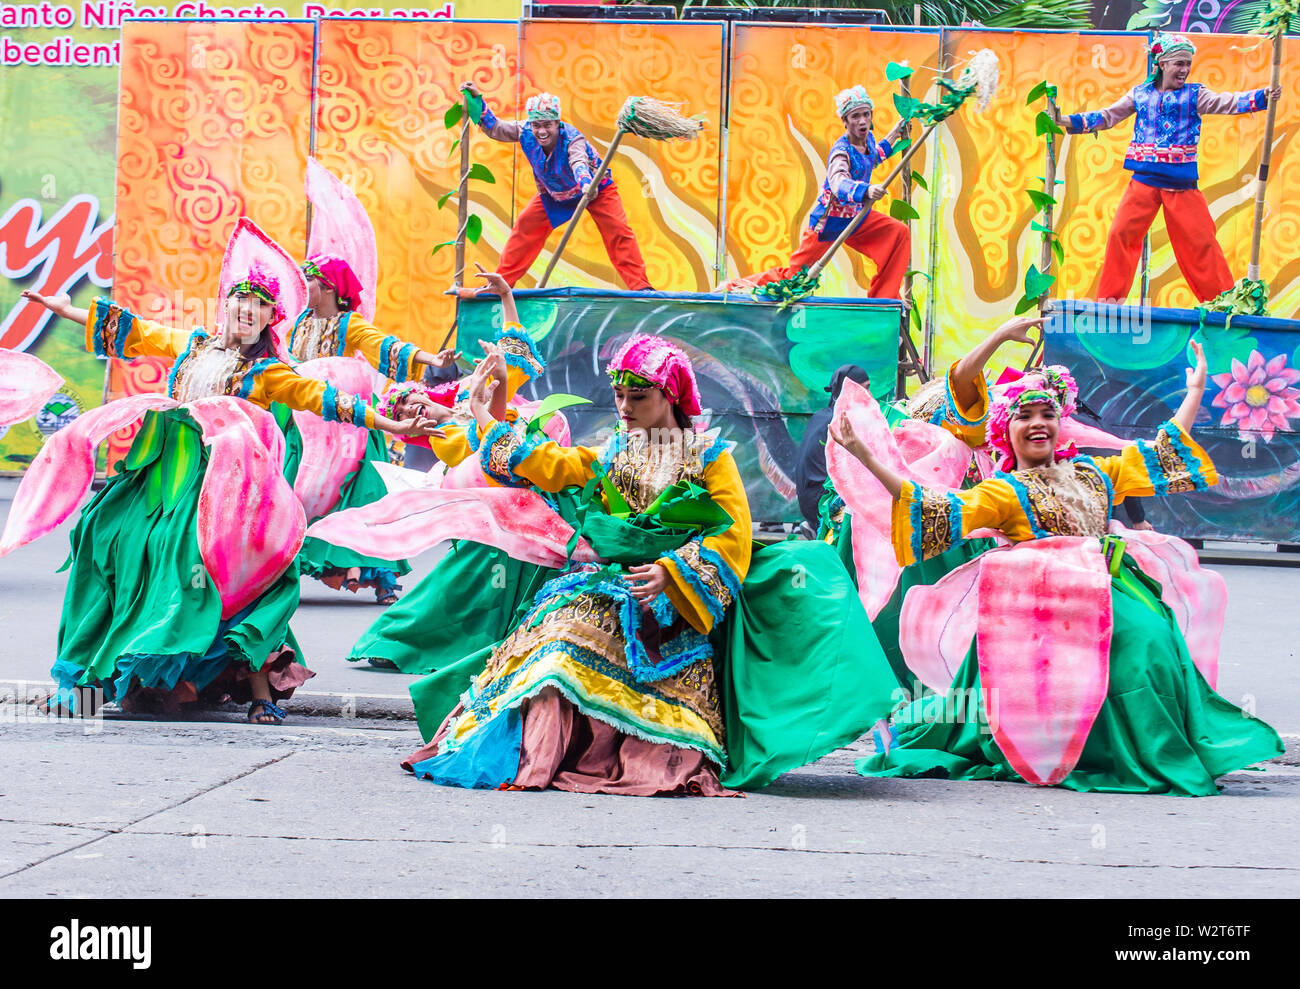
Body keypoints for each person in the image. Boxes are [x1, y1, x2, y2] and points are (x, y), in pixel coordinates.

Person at [398, 332, 900, 794]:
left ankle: (597, 751)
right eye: (619, 396)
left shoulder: (707, 456)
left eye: (637, 397)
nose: (624, 406)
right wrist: (493, 414)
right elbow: (550, 466)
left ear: (671, 396)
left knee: (570, 643)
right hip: (610, 585)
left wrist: (671, 573)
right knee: (552, 636)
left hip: (671, 604)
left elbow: (732, 532)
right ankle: (537, 757)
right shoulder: (616, 450)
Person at [834, 340, 1284, 794]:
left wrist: (1195, 392)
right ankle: (1111, 753)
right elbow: (933, 506)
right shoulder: (1004, 492)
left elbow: (1162, 452)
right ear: (1004, 432)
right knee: (1139, 650)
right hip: (1040, 610)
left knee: (1156, 642)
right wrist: (868, 456)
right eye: (1024, 417)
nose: (1037, 424)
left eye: (1046, 414)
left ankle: (1138, 746)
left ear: (1059, 424)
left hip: (1113, 590)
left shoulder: (1095, 473)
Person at [18, 260, 442, 725]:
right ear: (226, 305)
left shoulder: (267, 372)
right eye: (242, 299)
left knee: (213, 574)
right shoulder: (192, 345)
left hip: (222, 493)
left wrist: (394, 423)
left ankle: (256, 690)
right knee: (100, 541)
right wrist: (65, 309)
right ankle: (85, 684)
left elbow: (328, 400)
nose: (248, 309)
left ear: (268, 320)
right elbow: (133, 330)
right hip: (158, 477)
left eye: (261, 306)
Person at [287, 254, 459, 603]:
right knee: (293, 493)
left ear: (330, 287)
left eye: (310, 279)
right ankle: (287, 564)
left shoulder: (349, 324)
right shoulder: (298, 323)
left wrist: (431, 359)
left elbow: (386, 345)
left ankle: (381, 577)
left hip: (347, 427)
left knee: (361, 498)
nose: (303, 286)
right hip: (305, 426)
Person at [1061, 32, 1282, 303]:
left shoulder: (1194, 95)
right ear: (1162, 63)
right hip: (1144, 182)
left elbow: (1227, 102)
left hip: (1181, 186)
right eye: (1179, 63)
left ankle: (1221, 303)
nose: (1185, 70)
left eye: (1188, 64)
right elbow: (1108, 116)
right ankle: (1109, 301)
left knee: (1201, 243)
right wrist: (1066, 121)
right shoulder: (1140, 95)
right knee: (1121, 235)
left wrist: (1263, 96)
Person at [722, 85, 909, 298]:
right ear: (845, 121)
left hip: (857, 218)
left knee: (898, 233)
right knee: (796, 277)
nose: (862, 121)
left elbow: (872, 158)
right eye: (855, 116)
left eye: (866, 114)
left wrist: (895, 133)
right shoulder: (840, 151)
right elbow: (838, 183)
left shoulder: (867, 142)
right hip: (830, 221)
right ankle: (735, 287)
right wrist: (866, 191)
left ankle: (883, 299)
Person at [462, 83, 652, 291]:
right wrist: (477, 99)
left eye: (547, 125)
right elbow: (496, 128)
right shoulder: (525, 131)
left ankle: (641, 287)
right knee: (524, 228)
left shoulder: (572, 138)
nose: (541, 131)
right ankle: (500, 285)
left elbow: (578, 162)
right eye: (537, 125)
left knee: (618, 231)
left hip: (595, 189)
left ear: (557, 123)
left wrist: (587, 184)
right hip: (555, 194)